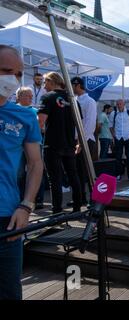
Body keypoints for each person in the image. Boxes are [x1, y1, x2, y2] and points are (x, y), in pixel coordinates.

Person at [0, 45, 43, 300]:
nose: (12, 79)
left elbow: (36, 163)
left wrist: (26, 205)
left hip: (8, 218)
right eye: (6, 71)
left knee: (8, 290)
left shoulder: (25, 116)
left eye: (18, 74)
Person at [37, 72, 82, 214]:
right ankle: (77, 207)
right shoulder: (73, 100)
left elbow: (40, 122)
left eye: (45, 82)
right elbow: (80, 124)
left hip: (53, 144)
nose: (44, 86)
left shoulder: (48, 97)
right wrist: (79, 142)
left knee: (55, 179)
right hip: (69, 143)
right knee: (73, 175)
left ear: (51, 81)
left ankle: (57, 210)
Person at [71, 76, 97, 205]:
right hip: (75, 140)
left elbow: (90, 124)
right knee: (77, 172)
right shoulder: (73, 100)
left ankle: (93, 200)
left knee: (88, 172)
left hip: (86, 141)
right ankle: (80, 198)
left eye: (72, 86)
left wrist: (81, 142)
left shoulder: (90, 101)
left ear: (77, 85)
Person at [109, 99, 129, 181]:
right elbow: (110, 125)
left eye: (120, 104)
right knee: (118, 157)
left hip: (128, 137)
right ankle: (118, 174)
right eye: (117, 104)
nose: (119, 105)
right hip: (118, 137)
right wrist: (113, 135)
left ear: (124, 104)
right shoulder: (113, 113)